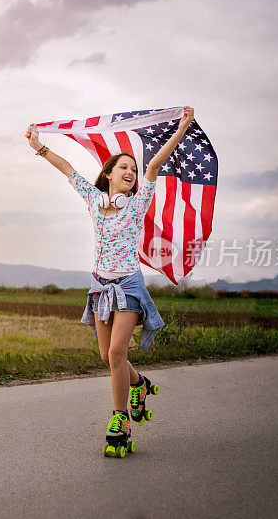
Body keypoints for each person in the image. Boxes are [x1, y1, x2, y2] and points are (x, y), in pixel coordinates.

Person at [24, 107, 195, 456]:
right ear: (109, 174)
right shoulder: (93, 199)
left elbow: (154, 166)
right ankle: (140, 384)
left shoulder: (137, 204)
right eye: (124, 167)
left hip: (128, 287)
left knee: (117, 353)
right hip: (100, 287)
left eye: (133, 169)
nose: (131, 172)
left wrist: (181, 129)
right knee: (107, 356)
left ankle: (119, 420)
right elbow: (68, 169)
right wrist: (38, 146)